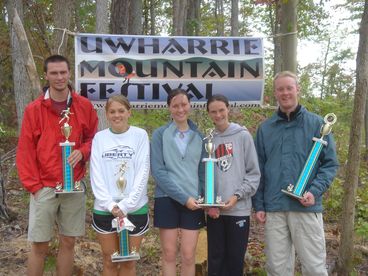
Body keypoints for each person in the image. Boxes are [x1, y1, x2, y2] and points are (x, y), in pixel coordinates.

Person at [16, 54, 98, 276]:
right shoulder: (35, 109)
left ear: (69, 73)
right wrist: (34, 186)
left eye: (63, 72)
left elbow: (93, 139)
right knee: (39, 244)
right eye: (54, 73)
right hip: (44, 186)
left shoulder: (84, 106)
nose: (59, 77)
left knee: (69, 242)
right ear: (46, 75)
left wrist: (82, 152)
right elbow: (25, 151)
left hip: (73, 186)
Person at [253, 71, 339, 276]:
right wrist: (259, 205)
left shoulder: (318, 125)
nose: (285, 93)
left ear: (297, 89)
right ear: (275, 93)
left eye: (289, 88)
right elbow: (259, 169)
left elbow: (330, 165)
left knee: (314, 268)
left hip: (306, 207)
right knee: (277, 269)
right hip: (274, 208)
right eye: (280, 89)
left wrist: (314, 191)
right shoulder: (265, 129)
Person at [90, 95, 150, 276]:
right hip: (105, 209)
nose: (117, 115)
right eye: (112, 112)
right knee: (109, 260)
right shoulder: (99, 138)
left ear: (129, 112)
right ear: (106, 114)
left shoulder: (140, 135)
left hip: (135, 208)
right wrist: (111, 205)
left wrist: (125, 205)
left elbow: (143, 171)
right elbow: (96, 173)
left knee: (129, 262)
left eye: (121, 111)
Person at [150, 88, 205, 276]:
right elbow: (158, 171)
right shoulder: (159, 134)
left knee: (189, 255)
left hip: (194, 202)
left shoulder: (201, 137)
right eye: (175, 106)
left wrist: (204, 199)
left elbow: (203, 172)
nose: (180, 109)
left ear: (189, 105)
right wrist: (183, 198)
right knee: (169, 254)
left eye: (183, 104)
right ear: (169, 108)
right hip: (166, 199)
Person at [205, 94, 260, 276]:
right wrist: (210, 204)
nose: (218, 115)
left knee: (235, 260)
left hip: (239, 209)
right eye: (213, 112)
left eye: (221, 110)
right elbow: (204, 175)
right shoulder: (208, 140)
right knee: (215, 259)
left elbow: (253, 174)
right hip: (215, 212)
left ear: (228, 109)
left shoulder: (243, 136)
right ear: (209, 114)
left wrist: (237, 196)